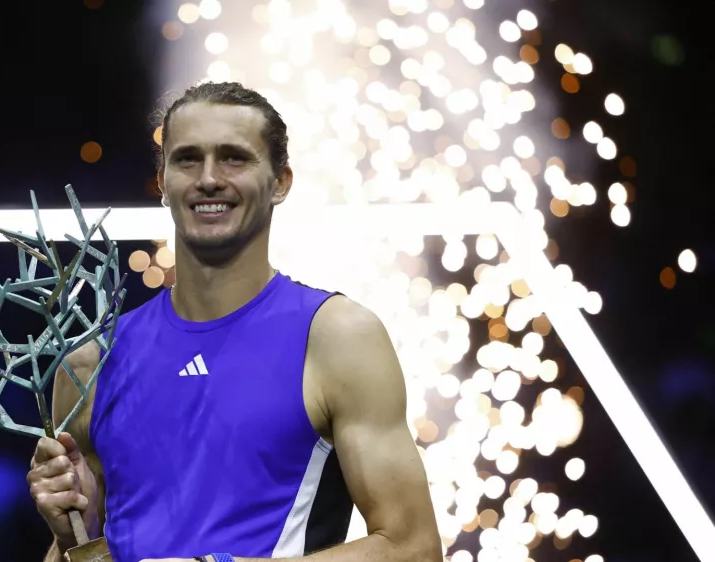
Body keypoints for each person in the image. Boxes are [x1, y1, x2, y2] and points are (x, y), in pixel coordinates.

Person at [27, 81, 442, 562]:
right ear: (163, 182)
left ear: (281, 182)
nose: (208, 178)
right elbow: (78, 554)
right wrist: (75, 534)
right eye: (187, 159)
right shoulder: (91, 363)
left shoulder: (336, 337)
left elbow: (414, 547)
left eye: (233, 158)